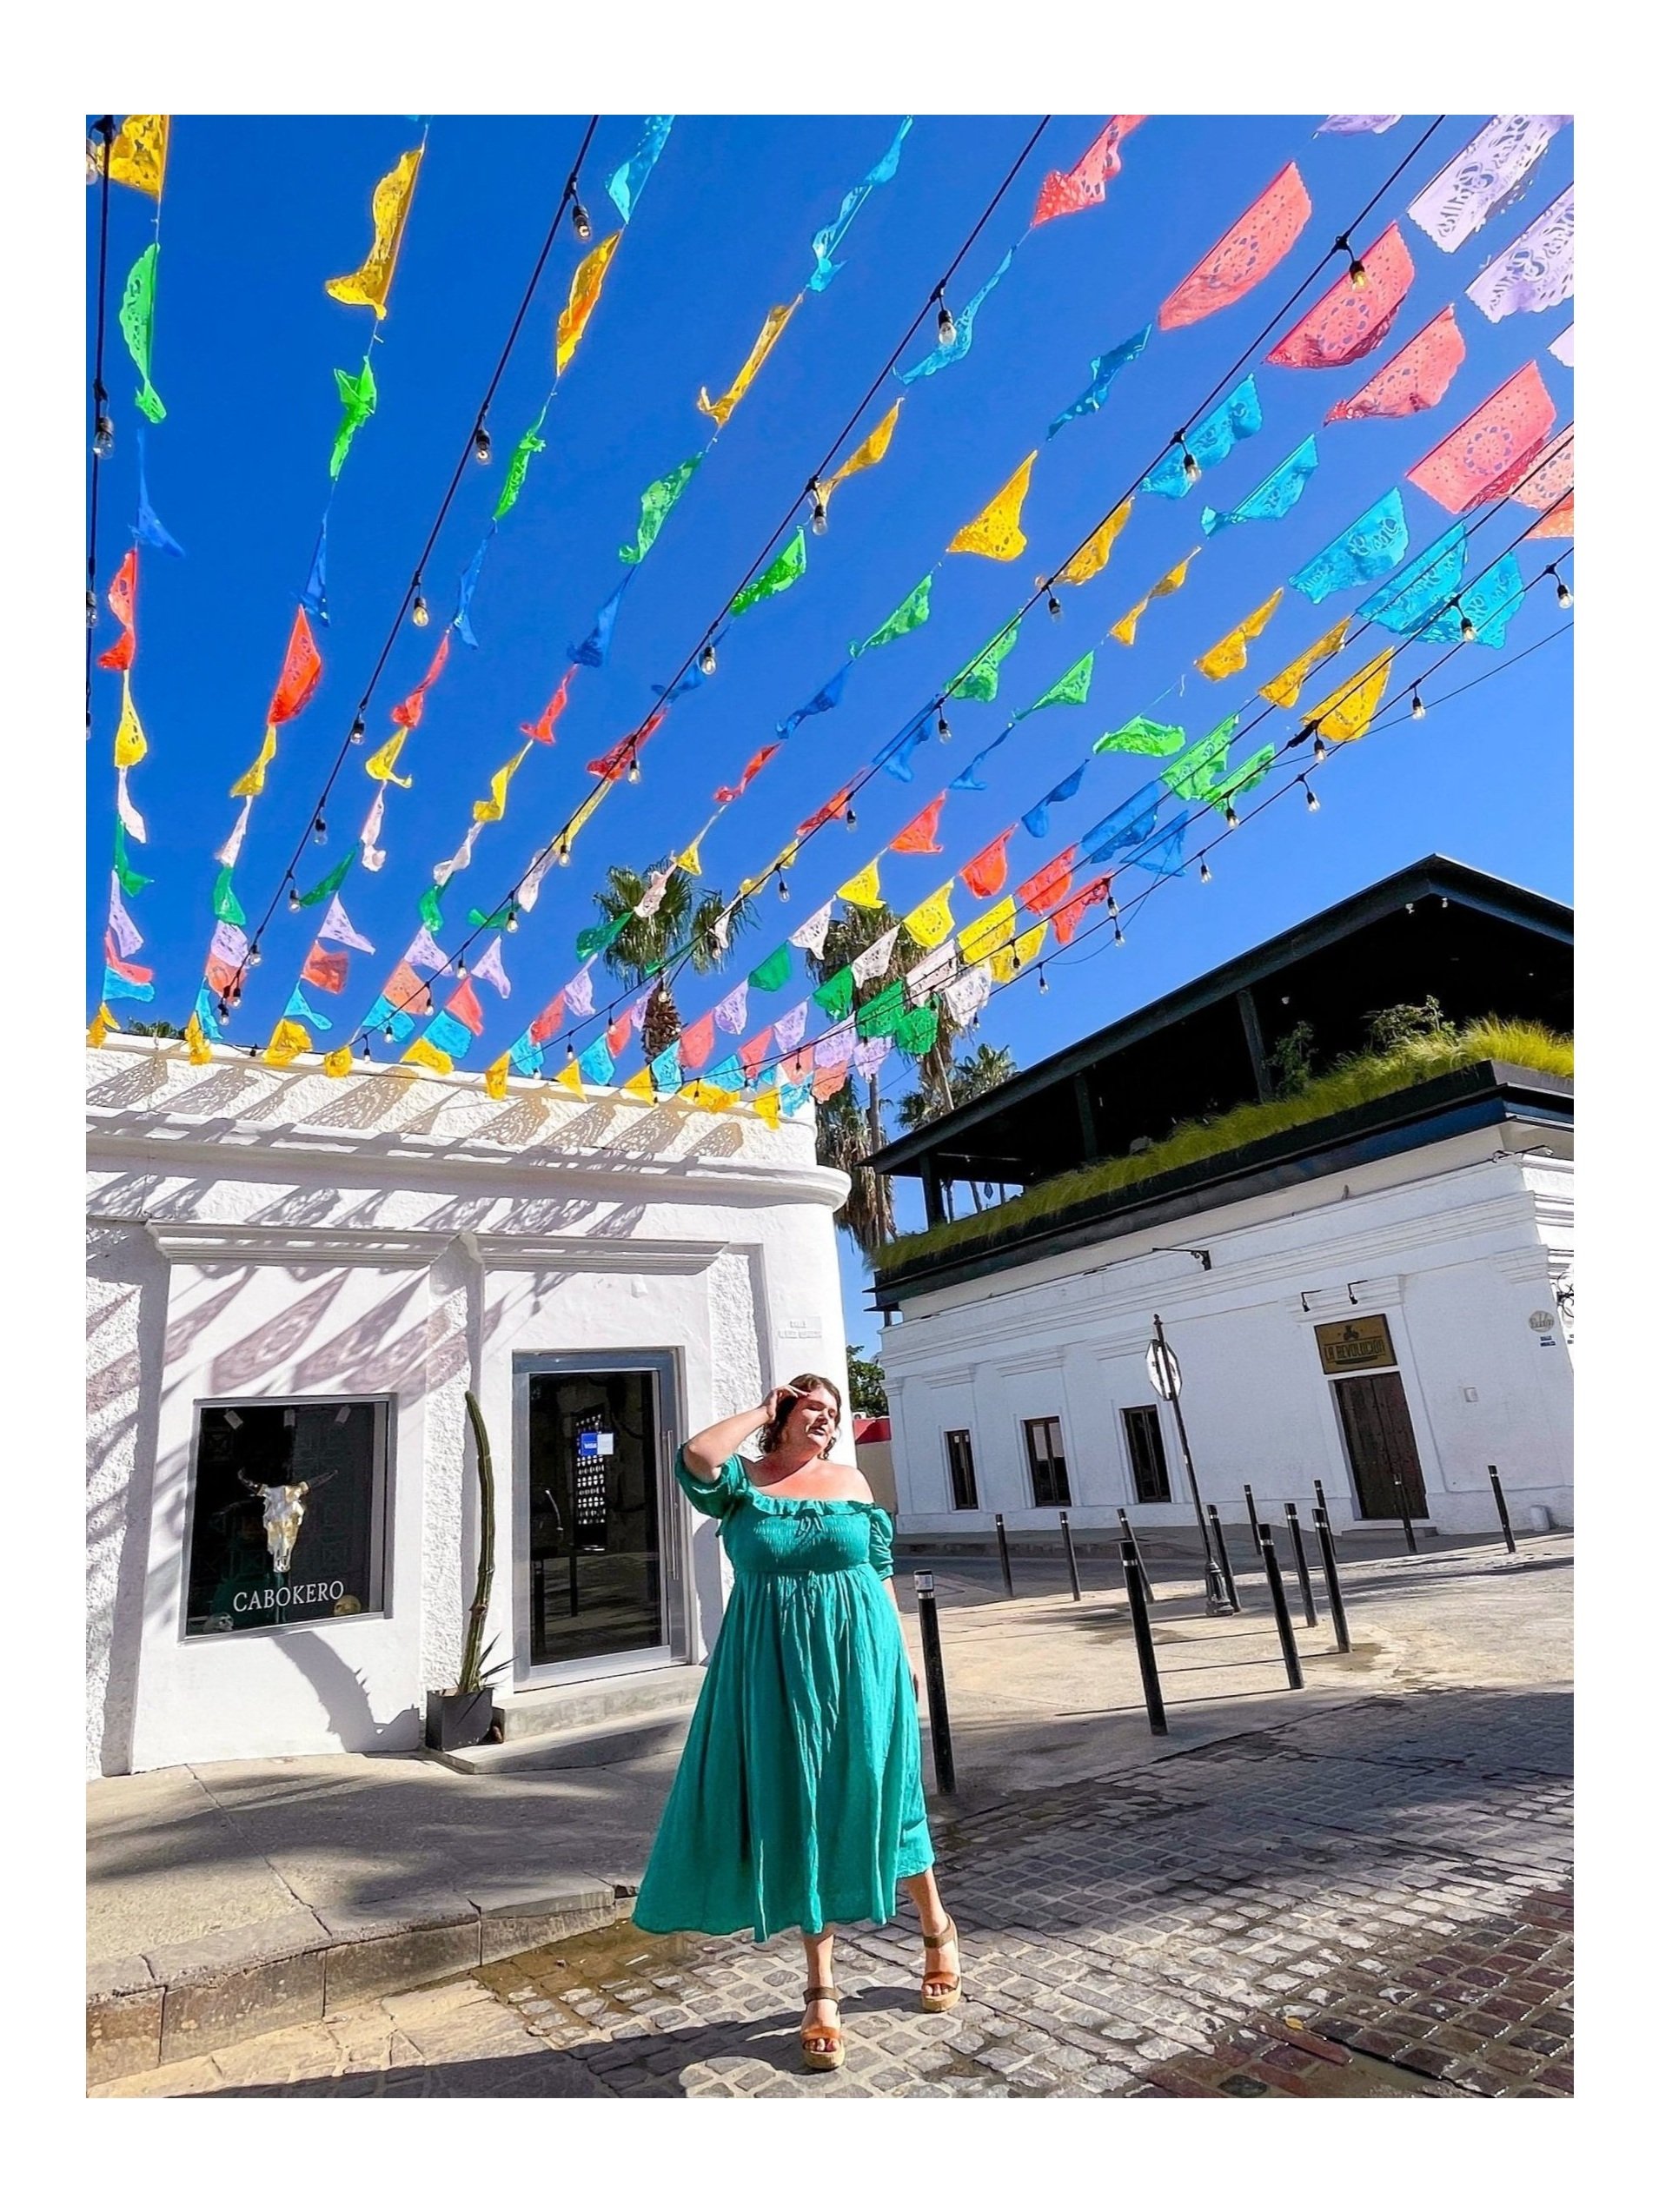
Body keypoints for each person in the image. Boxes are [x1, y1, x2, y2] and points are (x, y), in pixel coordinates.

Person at [631, 1374, 962, 2070]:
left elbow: (877, 1573)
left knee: (880, 1794)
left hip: (860, 1661)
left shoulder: (850, 1482)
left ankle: (936, 1927)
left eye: (834, 1412)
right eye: (814, 1407)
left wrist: (902, 1658)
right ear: (783, 1412)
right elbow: (695, 1454)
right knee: (799, 1811)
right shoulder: (740, 1484)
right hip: (768, 1669)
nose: (828, 1418)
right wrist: (760, 1409)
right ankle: (820, 1989)